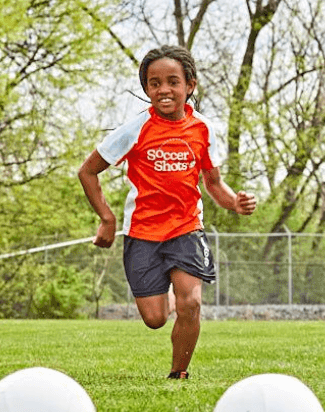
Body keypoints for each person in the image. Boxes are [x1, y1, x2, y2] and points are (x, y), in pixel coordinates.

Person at [76, 45, 257, 379]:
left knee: (191, 303)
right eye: (154, 83)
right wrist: (107, 218)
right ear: (147, 88)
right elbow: (87, 171)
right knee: (155, 319)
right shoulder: (134, 129)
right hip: (142, 233)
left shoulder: (203, 129)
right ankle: (169, 297)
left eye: (172, 81)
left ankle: (179, 374)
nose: (163, 90)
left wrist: (235, 202)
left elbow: (213, 182)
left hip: (187, 229)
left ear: (190, 85)